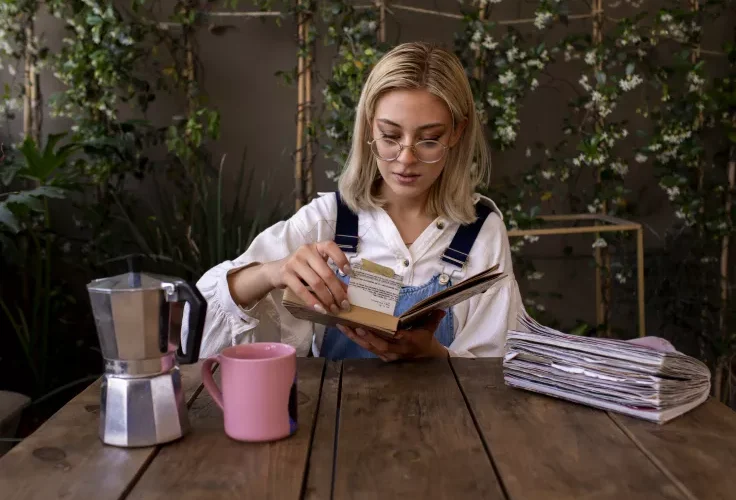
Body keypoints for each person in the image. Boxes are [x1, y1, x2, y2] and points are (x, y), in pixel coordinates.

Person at [192, 41, 524, 360]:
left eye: (429, 140)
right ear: (368, 126)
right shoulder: (327, 221)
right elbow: (201, 328)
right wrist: (270, 272)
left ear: (457, 133)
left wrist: (434, 355)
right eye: (390, 136)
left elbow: (498, 366)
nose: (405, 159)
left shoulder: (481, 232)